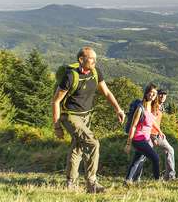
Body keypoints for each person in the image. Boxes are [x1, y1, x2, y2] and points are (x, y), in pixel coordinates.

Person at [52, 47, 126, 193]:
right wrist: (57, 126)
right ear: (81, 59)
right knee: (93, 143)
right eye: (91, 58)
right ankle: (91, 183)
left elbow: (106, 92)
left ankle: (70, 182)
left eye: (95, 58)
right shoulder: (70, 76)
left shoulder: (95, 72)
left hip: (86, 116)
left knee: (77, 147)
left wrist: (118, 109)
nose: (95, 61)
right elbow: (55, 102)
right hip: (71, 116)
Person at [131, 89, 176, 181]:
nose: (162, 96)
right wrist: (152, 136)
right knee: (142, 156)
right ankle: (136, 178)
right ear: (156, 96)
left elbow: (155, 122)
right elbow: (147, 121)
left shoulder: (161, 107)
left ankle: (170, 176)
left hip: (157, 134)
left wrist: (160, 131)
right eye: (160, 94)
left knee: (170, 150)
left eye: (164, 95)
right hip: (149, 135)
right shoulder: (151, 106)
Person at [124, 83, 164, 184]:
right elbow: (133, 126)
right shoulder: (140, 108)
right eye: (150, 92)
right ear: (146, 93)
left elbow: (152, 122)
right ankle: (157, 181)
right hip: (138, 139)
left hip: (145, 139)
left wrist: (160, 131)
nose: (152, 95)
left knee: (136, 160)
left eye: (154, 93)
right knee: (155, 158)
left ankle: (127, 180)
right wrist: (128, 143)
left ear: (156, 96)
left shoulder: (152, 108)